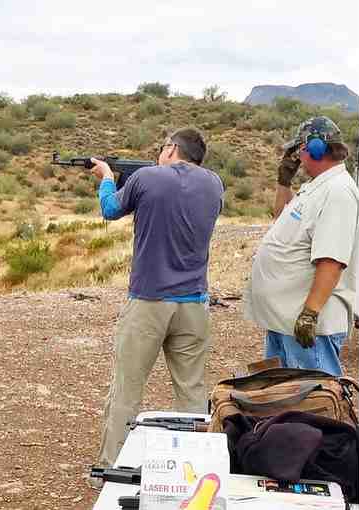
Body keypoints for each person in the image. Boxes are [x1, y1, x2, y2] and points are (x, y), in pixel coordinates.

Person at [88, 127, 224, 482]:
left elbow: (109, 209)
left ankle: (110, 468)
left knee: (127, 389)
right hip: (194, 303)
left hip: (149, 301)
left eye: (163, 147)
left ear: (172, 148)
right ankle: (193, 471)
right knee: (192, 392)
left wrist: (106, 177)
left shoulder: (146, 177)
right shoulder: (215, 185)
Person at [244, 116, 359, 376]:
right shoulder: (316, 187)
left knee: (315, 403)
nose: (298, 155)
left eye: (300, 149)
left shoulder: (338, 191)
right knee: (286, 403)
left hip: (306, 325)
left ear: (316, 148)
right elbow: (279, 218)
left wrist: (310, 314)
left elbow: (332, 259)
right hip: (286, 319)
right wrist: (284, 181)